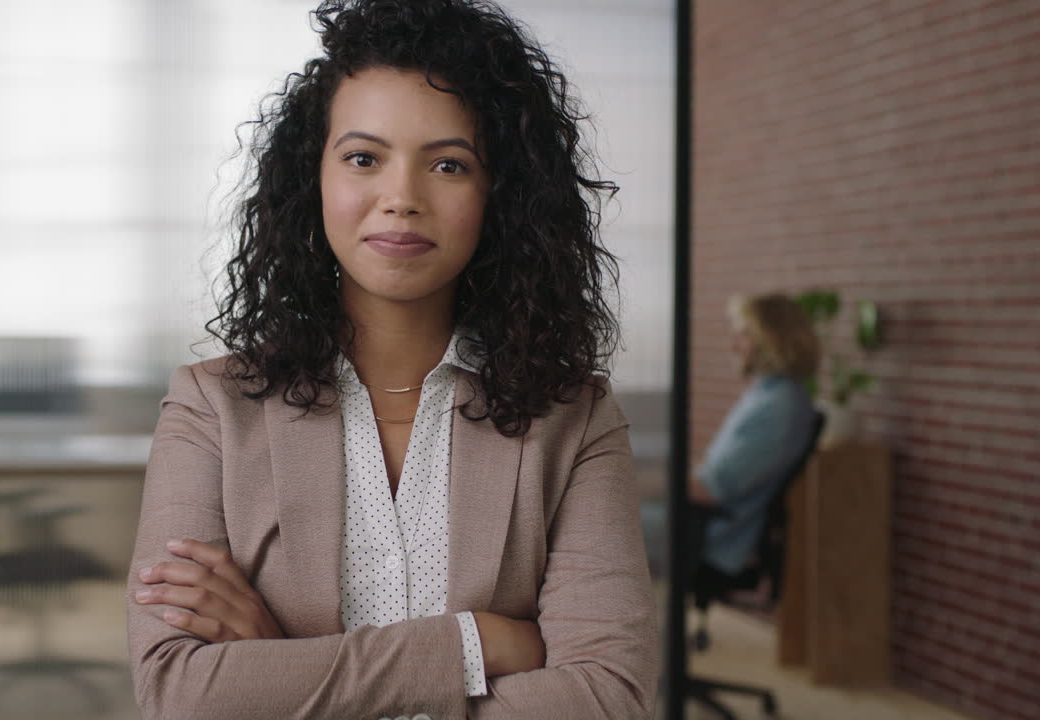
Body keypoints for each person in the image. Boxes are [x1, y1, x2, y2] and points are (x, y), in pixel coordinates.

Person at [125, 1, 658, 718]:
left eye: (448, 164)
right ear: (312, 180)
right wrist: (478, 644)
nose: (401, 198)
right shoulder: (211, 409)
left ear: (499, 193)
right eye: (363, 158)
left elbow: (605, 697)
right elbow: (179, 694)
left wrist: (279, 662)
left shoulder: (575, 420)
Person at [640, 292, 821, 579]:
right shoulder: (768, 394)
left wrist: (641, 482)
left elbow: (712, 490)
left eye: (744, 335)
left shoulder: (779, 406)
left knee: (601, 523)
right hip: (699, 515)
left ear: (773, 341)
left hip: (709, 533)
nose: (733, 345)